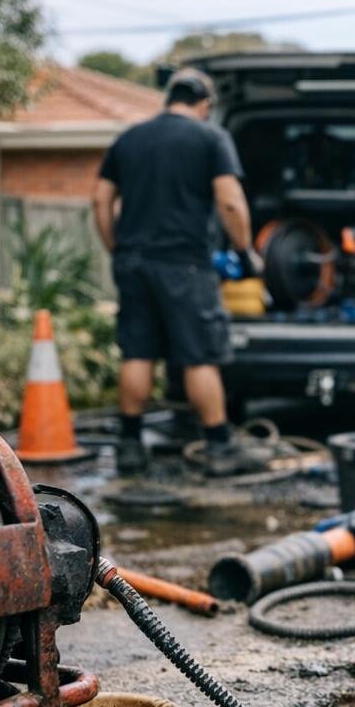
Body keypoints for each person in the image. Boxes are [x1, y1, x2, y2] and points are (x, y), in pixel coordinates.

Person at [92, 68, 265, 477]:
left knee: (137, 351)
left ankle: (130, 447)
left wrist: (118, 248)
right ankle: (221, 446)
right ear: (204, 103)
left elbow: (100, 202)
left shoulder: (130, 138)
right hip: (185, 264)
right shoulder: (210, 138)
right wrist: (245, 252)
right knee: (198, 354)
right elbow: (230, 203)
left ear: (169, 97)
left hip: (133, 262)